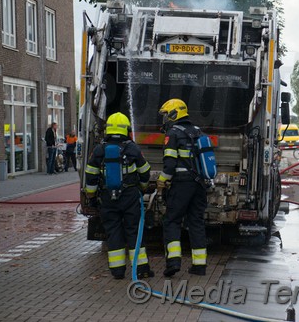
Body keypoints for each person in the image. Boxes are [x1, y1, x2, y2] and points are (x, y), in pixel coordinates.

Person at [84, 112, 153, 279]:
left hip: (107, 198)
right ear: (126, 129)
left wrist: (92, 197)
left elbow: (90, 175)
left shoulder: (99, 149)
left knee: (113, 231)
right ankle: (141, 269)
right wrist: (143, 188)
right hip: (130, 196)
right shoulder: (133, 148)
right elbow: (145, 172)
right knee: (134, 231)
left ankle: (117, 271)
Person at [157, 98, 208, 277]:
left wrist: (162, 181)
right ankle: (199, 266)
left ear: (173, 114)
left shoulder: (173, 133)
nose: (164, 119)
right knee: (196, 222)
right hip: (199, 185)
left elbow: (169, 165)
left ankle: (173, 262)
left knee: (172, 221)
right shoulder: (197, 131)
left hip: (181, 185)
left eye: (165, 115)